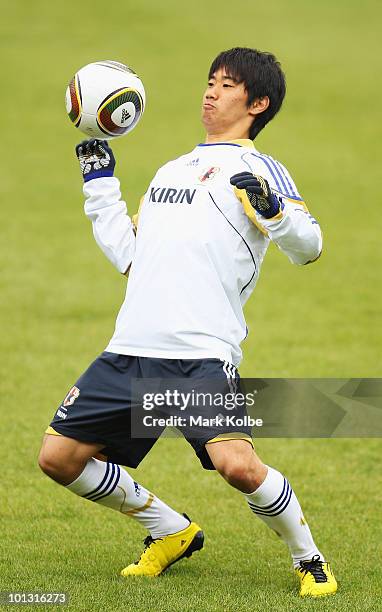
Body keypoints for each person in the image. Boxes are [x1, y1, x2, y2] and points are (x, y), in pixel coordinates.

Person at [38, 47, 337, 597]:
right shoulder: (170, 171)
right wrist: (99, 185)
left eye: (226, 85)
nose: (211, 92)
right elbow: (131, 256)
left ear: (258, 103)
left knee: (238, 466)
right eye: (210, 81)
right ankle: (170, 531)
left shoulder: (259, 170)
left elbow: (309, 246)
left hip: (200, 351)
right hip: (131, 347)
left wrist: (274, 211)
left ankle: (309, 558)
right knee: (58, 458)